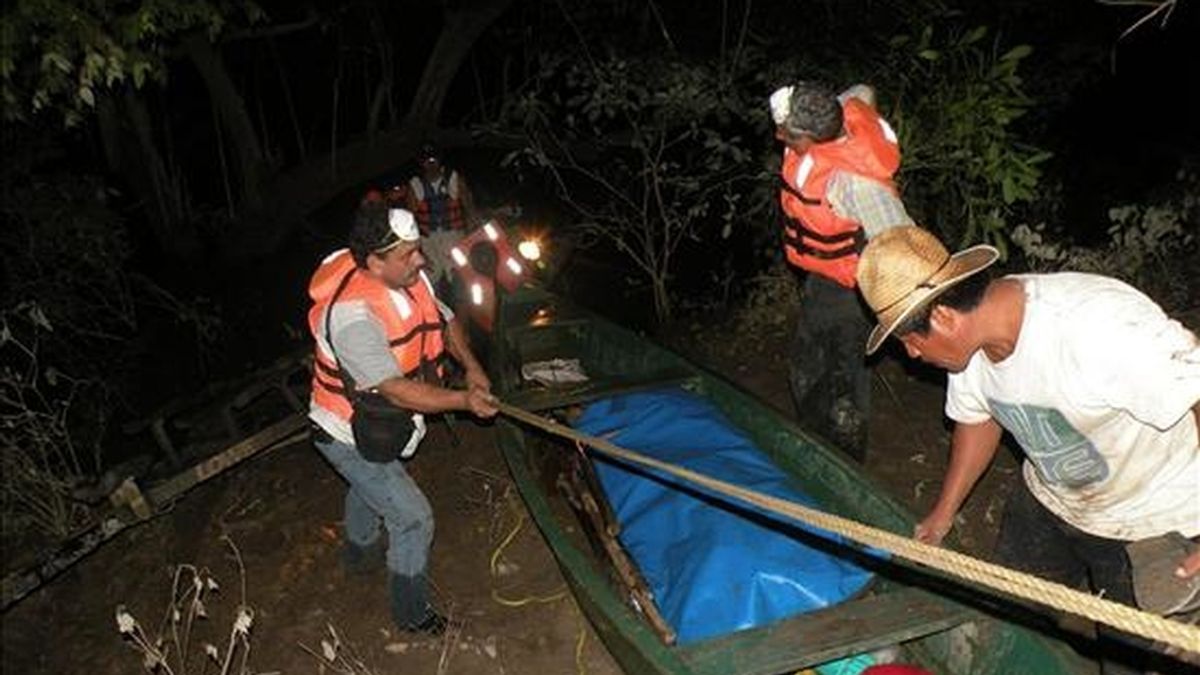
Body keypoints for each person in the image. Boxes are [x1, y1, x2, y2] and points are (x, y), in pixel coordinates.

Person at [855, 225, 1200, 671]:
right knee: (1013, 610)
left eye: (910, 340)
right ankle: (1070, 632)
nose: (913, 355)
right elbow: (978, 418)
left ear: (942, 317)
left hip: (1147, 516)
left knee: (1127, 659)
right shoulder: (972, 345)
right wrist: (943, 512)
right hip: (1053, 497)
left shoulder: (1097, 325)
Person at [306, 204, 498, 634]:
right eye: (409, 253)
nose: (422, 259)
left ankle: (358, 556)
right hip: (341, 430)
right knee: (412, 516)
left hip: (379, 427)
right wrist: (464, 401)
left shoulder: (411, 278)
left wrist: (472, 367)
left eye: (418, 249)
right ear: (375, 261)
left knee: (374, 475)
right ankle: (412, 615)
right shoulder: (353, 318)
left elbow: (444, 322)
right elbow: (396, 389)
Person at [770, 80, 915, 461]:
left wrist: (902, 315)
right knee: (807, 364)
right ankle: (816, 438)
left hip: (854, 288)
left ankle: (846, 464)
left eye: (784, 131)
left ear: (808, 141)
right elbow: (865, 90)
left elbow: (900, 243)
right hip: (825, 277)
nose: (777, 134)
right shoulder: (834, 111)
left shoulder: (853, 185)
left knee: (844, 379)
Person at [406, 144, 477, 294]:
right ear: (421, 162)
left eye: (434, 159)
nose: (430, 163)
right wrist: (416, 249)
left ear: (439, 159)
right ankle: (435, 312)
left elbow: (469, 206)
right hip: (428, 240)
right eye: (426, 160)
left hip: (454, 236)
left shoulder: (454, 178)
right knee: (430, 282)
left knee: (460, 278)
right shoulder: (415, 184)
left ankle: (463, 312)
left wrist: (471, 235)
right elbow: (409, 221)